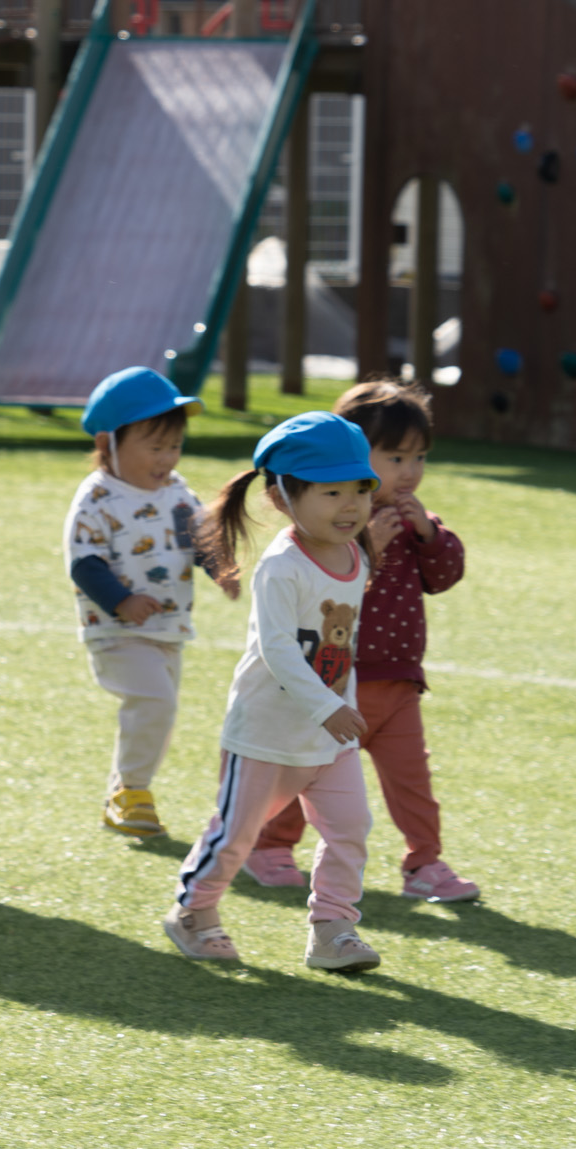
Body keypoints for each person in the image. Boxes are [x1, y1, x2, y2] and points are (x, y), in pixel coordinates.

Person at [244, 378, 476, 902]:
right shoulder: (332, 523)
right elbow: (329, 586)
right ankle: (267, 845)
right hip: (333, 680)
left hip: (398, 682)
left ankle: (425, 862)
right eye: (395, 457)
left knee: (413, 781)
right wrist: (370, 541)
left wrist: (431, 537)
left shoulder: (419, 520)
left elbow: (444, 576)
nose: (410, 472)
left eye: (418, 458)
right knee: (301, 771)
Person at [164, 413, 382, 972]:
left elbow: (343, 647)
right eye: (332, 492)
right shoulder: (282, 567)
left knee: (351, 828)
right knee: (236, 837)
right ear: (283, 498)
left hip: (329, 739)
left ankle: (333, 928)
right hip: (264, 735)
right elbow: (279, 650)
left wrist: (342, 709)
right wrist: (329, 706)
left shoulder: (355, 556)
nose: (351, 504)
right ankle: (194, 912)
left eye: (361, 488)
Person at [63, 366, 238, 838]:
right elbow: (84, 563)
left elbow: (198, 535)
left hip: (168, 628)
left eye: (174, 445)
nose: (167, 458)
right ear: (108, 444)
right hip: (116, 630)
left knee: (159, 712)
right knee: (153, 701)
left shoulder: (177, 490)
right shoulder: (97, 498)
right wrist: (121, 601)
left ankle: (123, 791)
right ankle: (132, 791)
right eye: (154, 446)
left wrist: (220, 568)